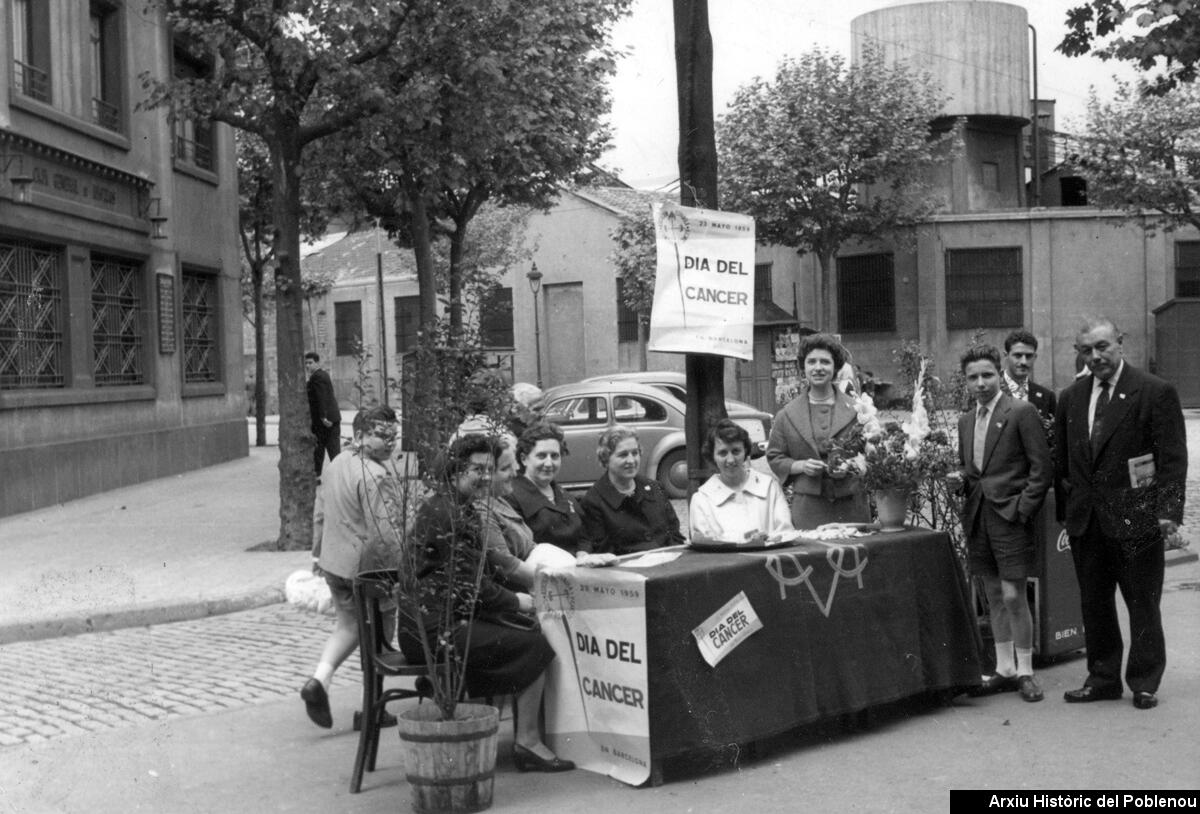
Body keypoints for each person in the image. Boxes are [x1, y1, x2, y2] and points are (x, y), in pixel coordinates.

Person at [401, 434, 573, 772]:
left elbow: (472, 582)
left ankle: (511, 726)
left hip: (428, 625)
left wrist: (512, 603)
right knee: (537, 643)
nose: (484, 476)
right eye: (476, 469)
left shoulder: (450, 506)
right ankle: (528, 742)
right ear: (455, 471)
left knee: (525, 631)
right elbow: (471, 589)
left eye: (489, 469)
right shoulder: (450, 514)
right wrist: (519, 601)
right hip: (435, 632)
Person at [1054, 317, 1187, 710]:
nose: (1095, 357)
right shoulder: (1072, 398)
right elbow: (1064, 462)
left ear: (1120, 344)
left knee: (1141, 602)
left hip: (1137, 519)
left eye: (1101, 347)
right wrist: (1068, 515)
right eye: (1085, 350)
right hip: (1087, 521)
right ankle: (1102, 677)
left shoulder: (1154, 392)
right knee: (1094, 604)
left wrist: (1168, 513)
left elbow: (1173, 459)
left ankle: (1144, 680)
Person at [946, 346, 1051, 703]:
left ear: (999, 373)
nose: (981, 383)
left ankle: (1025, 670)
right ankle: (1004, 668)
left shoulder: (1021, 412)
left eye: (987, 375)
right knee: (992, 594)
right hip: (979, 516)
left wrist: (1023, 509)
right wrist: (958, 478)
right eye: (973, 377)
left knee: (1013, 594)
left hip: (1010, 516)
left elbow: (1041, 469)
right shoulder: (964, 421)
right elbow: (972, 468)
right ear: (966, 380)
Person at [300, 405, 404, 730]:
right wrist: (400, 575)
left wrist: (318, 555)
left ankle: (319, 680)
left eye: (393, 436)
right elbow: (385, 536)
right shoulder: (376, 476)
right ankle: (370, 709)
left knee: (348, 627)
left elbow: (320, 512)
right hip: (368, 571)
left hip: (335, 563)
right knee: (379, 642)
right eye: (381, 435)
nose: (389, 443)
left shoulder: (336, 465)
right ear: (359, 435)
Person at [766, 334, 871, 529]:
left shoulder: (858, 410)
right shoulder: (786, 415)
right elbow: (774, 457)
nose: (818, 367)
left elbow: (872, 453)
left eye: (825, 362)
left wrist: (852, 465)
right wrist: (800, 465)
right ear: (803, 367)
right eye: (811, 361)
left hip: (851, 505)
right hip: (808, 509)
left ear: (835, 367)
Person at [579, 426, 685, 555]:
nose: (631, 460)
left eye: (635, 453)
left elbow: (675, 535)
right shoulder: (594, 502)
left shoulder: (654, 488)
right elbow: (604, 552)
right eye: (623, 455)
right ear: (606, 459)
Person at [691, 419, 793, 544]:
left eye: (736, 451)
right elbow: (705, 544)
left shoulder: (769, 487)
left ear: (745, 451)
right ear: (712, 456)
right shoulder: (701, 499)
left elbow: (786, 533)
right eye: (723, 453)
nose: (730, 460)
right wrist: (747, 539)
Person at [506, 422, 586, 555]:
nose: (549, 463)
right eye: (541, 456)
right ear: (524, 459)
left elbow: (585, 535)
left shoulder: (565, 495)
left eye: (554, 456)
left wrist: (583, 553)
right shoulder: (512, 496)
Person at [477, 436, 538, 590]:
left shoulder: (497, 498)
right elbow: (506, 567)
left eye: (513, 465)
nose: (515, 473)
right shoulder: (482, 512)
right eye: (505, 468)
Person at [1001, 330, 1056, 424]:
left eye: (1029, 356)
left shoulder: (1047, 396)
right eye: (1018, 355)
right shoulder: (991, 391)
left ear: (1035, 357)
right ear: (1006, 356)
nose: (1024, 362)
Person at [305, 351, 342, 477]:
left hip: (324, 421)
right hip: (331, 418)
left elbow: (322, 397)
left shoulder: (317, 377)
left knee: (323, 449)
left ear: (317, 363)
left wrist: (323, 417)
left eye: (310, 363)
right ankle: (337, 476)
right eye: (306, 363)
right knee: (331, 449)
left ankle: (319, 475)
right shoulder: (323, 374)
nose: (307, 366)